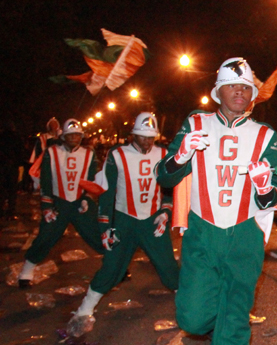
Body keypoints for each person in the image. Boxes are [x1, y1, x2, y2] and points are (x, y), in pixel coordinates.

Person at [155, 58, 277, 345]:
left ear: (253, 95)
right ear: (218, 91)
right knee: (193, 319)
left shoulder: (266, 135)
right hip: (202, 231)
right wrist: (181, 154)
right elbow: (165, 175)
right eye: (233, 86)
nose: (240, 93)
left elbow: (271, 197)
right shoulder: (196, 124)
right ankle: (220, 326)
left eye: (246, 88)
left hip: (244, 233)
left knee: (236, 314)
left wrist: (264, 186)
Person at [71, 113, 179, 321]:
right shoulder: (117, 154)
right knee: (112, 266)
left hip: (153, 219)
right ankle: (85, 309)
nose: (147, 141)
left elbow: (169, 188)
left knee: (168, 265)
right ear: (133, 135)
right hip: (124, 218)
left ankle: (186, 307)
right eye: (142, 136)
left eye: (150, 137)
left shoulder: (165, 153)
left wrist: (166, 211)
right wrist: (105, 226)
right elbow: (107, 192)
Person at [18, 119, 104, 287]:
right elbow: (46, 180)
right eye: (70, 135)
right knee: (46, 237)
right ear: (63, 136)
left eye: (77, 135)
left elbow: (93, 178)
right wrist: (47, 206)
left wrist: (88, 198)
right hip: (59, 201)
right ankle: (26, 272)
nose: (74, 138)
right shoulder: (51, 152)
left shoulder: (89, 153)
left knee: (98, 235)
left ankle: (115, 268)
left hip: (80, 202)